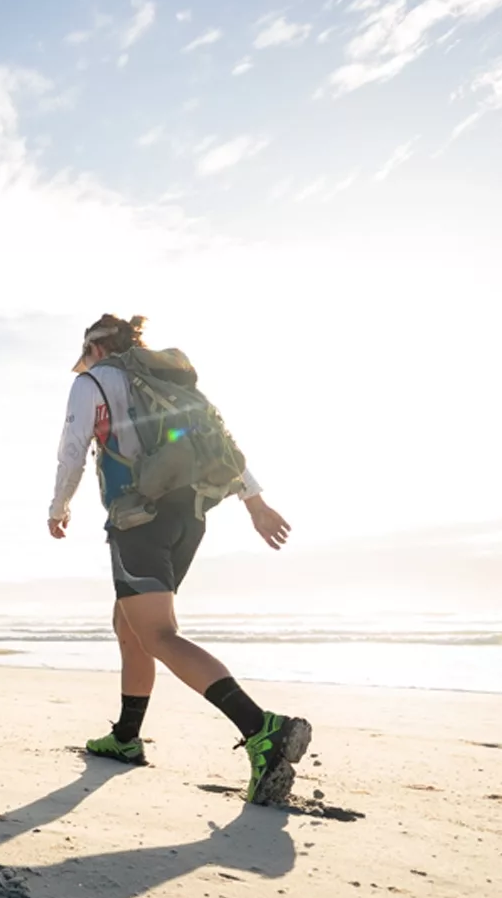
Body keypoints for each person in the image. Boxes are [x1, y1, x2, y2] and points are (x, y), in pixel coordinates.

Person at [48, 312, 312, 805]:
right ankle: (126, 738)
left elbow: (72, 450)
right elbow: (221, 442)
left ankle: (262, 729)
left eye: (84, 355)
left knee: (157, 634)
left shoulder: (94, 381)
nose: (81, 365)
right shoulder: (171, 382)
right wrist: (254, 503)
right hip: (189, 517)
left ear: (95, 348)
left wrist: (58, 507)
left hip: (137, 517)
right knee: (128, 625)